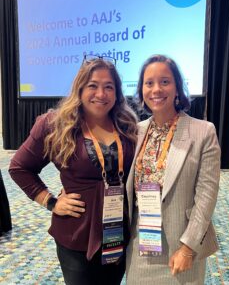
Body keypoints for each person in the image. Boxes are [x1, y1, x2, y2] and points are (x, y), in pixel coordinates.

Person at [9, 56, 138, 285]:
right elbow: (19, 167)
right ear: (79, 89)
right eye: (93, 86)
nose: (101, 94)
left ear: (117, 93)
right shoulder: (55, 124)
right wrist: (50, 201)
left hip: (118, 231)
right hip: (76, 233)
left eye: (109, 87)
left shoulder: (127, 126)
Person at [126, 55, 220, 285]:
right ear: (141, 90)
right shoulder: (134, 132)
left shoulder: (203, 132)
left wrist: (188, 248)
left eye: (165, 81)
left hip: (182, 244)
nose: (156, 89)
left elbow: (206, 196)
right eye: (149, 83)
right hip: (141, 243)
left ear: (177, 87)